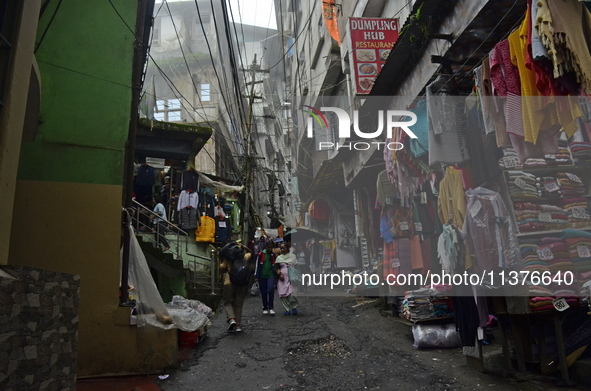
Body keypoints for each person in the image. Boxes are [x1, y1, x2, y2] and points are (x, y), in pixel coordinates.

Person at [219, 242, 252, 332]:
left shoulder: (227, 259)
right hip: (241, 283)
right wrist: (243, 246)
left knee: (228, 302)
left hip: (228, 283)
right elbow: (250, 252)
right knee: (238, 304)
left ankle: (232, 319)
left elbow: (221, 269)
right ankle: (238, 325)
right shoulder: (244, 257)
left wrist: (220, 260)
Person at [255, 240, 277, 315]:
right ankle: (265, 307)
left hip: (270, 275)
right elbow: (257, 265)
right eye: (269, 247)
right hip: (262, 276)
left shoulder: (273, 255)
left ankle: (271, 307)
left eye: (271, 248)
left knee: (270, 290)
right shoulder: (261, 254)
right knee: (263, 292)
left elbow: (275, 265)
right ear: (266, 247)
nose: (270, 249)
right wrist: (256, 276)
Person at [276, 243, 299, 315]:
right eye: (281, 248)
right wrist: (279, 273)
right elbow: (276, 267)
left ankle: (294, 306)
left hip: (292, 276)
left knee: (293, 292)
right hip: (283, 278)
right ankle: (287, 308)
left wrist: (296, 274)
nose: (282, 250)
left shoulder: (293, 256)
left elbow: (297, 266)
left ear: (288, 248)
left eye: (284, 248)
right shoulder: (279, 258)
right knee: (283, 293)